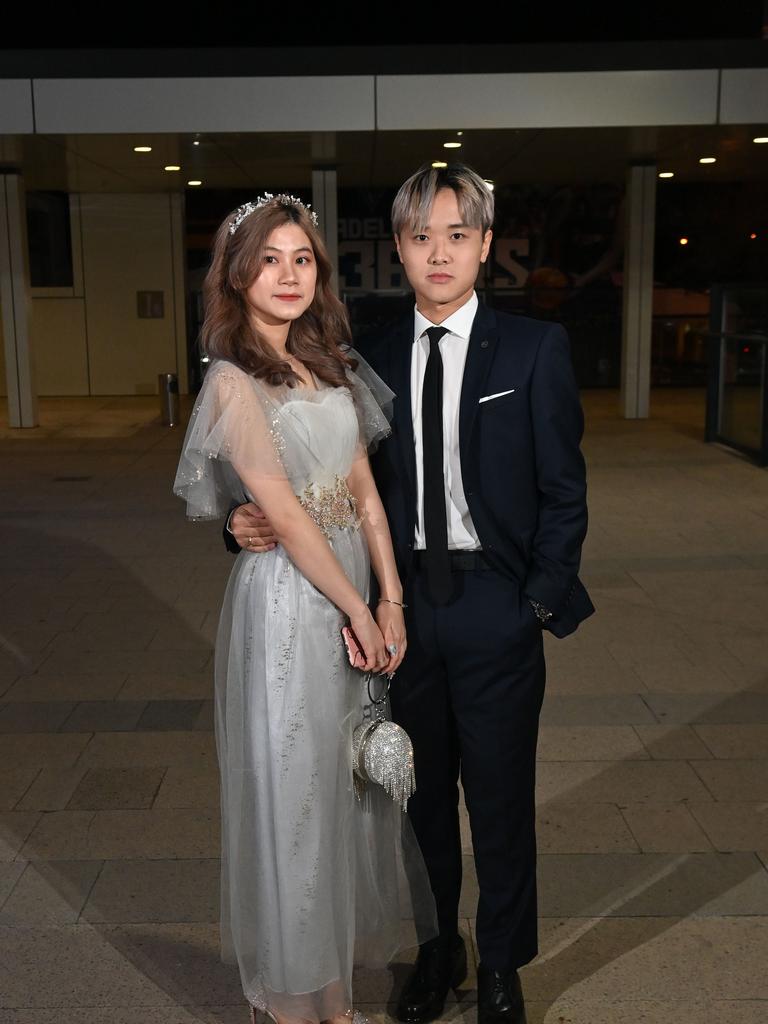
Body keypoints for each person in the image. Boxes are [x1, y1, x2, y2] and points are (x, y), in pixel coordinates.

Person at [226, 166, 595, 1024]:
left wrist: (534, 602)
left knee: (499, 800)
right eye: (421, 236)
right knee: (415, 798)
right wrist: (241, 524)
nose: (439, 252)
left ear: (486, 247)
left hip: (495, 602)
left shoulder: (536, 352)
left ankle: (503, 964)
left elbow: (566, 493)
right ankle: (439, 952)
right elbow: (310, 479)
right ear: (397, 248)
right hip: (397, 609)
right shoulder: (365, 358)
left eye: (458, 235)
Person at [173, 193, 437, 1024]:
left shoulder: (332, 363)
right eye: (269, 259)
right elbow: (283, 514)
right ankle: (291, 1005)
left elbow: (362, 494)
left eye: (302, 258)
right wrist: (358, 610)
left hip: (352, 588)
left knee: (342, 793)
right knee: (293, 799)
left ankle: (335, 1000)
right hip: (290, 606)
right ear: (238, 275)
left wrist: (390, 599)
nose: (288, 275)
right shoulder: (230, 380)